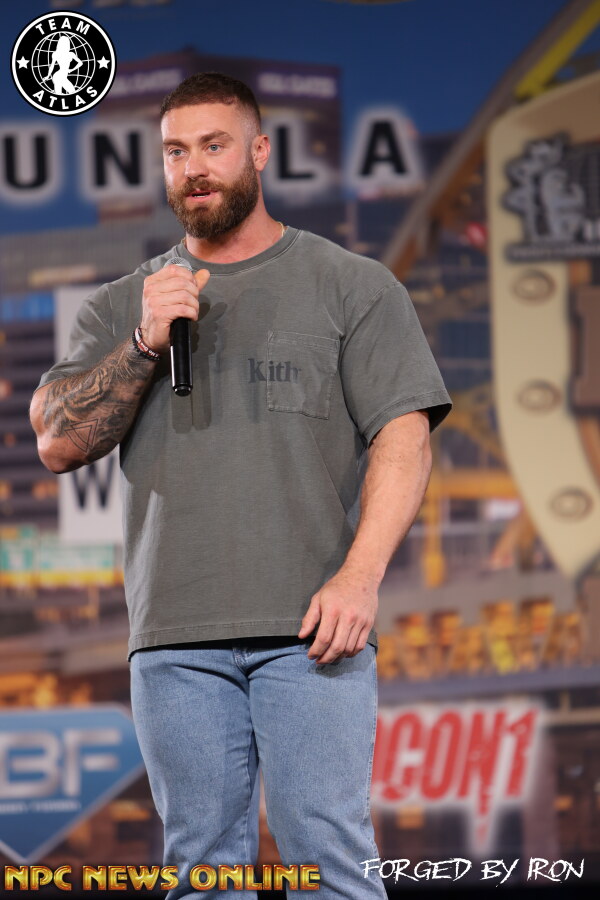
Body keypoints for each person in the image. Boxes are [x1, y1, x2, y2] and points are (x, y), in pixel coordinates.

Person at [30, 73, 452, 898]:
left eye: (214, 146)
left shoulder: (353, 284)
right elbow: (56, 442)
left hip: (314, 631)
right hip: (175, 638)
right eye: (175, 152)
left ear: (259, 152)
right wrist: (144, 344)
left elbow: (405, 439)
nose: (194, 168)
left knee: (328, 860)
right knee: (200, 871)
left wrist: (361, 578)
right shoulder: (125, 304)